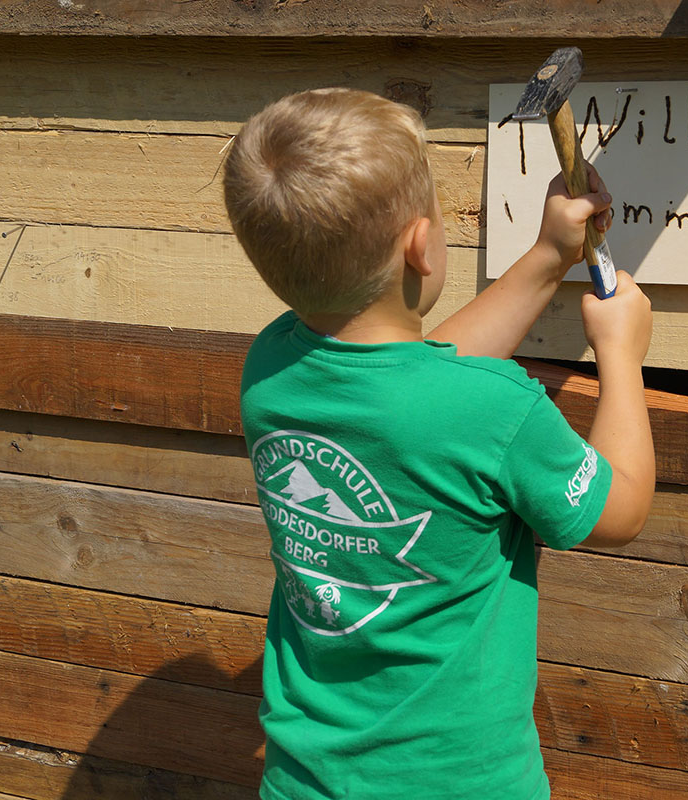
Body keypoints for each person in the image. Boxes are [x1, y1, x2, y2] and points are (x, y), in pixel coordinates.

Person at [223, 87, 654, 800]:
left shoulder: (271, 368)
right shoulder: (495, 410)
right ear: (422, 247)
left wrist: (549, 257)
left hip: (305, 782)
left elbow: (420, 381)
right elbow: (622, 505)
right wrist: (622, 355)